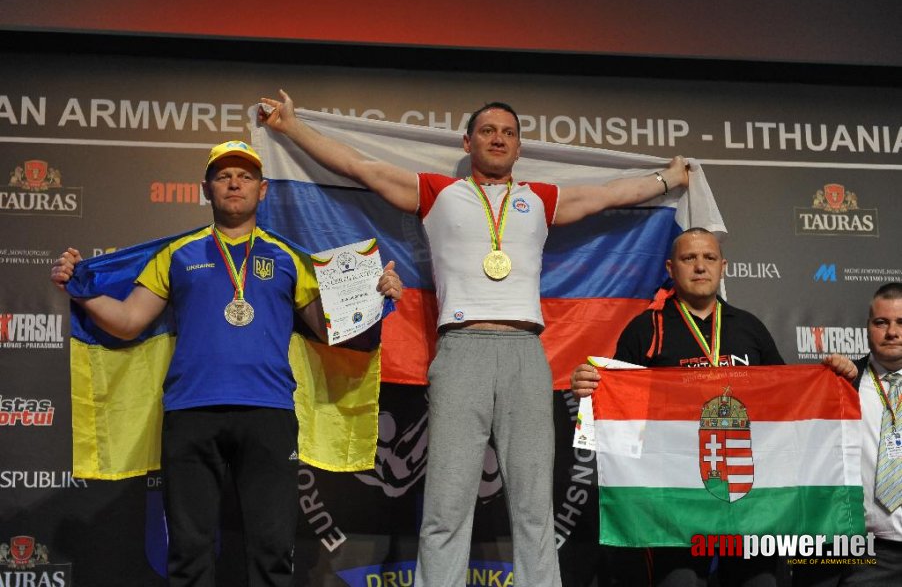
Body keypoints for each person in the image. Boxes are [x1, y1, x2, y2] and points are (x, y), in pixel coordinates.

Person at [258, 90, 691, 587]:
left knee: (534, 505)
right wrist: (291, 129)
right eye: (488, 131)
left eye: (508, 132)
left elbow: (608, 195)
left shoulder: (539, 199)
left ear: (519, 147)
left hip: (526, 354)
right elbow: (361, 167)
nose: (498, 138)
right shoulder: (439, 193)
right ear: (468, 141)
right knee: (447, 502)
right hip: (461, 352)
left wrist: (667, 180)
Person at [50, 140, 402, 587]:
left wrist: (376, 299)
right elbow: (128, 322)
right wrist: (82, 289)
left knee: (272, 549)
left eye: (245, 176)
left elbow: (330, 329)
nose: (234, 183)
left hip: (268, 413)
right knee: (189, 550)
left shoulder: (288, 256)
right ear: (206, 189)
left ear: (263, 190)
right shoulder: (177, 254)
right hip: (190, 413)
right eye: (223, 176)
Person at [570, 227, 857, 587]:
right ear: (671, 268)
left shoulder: (749, 327)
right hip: (673, 498)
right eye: (689, 259)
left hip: (748, 495)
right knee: (680, 583)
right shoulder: (644, 329)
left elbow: (788, 404)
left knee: (761, 584)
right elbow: (618, 413)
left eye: (709, 258)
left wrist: (830, 376)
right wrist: (589, 386)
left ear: (723, 266)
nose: (700, 267)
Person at [837, 282, 902, 585]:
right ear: (867, 327)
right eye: (881, 322)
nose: (892, 332)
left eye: (901, 322)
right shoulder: (841, 387)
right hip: (869, 557)